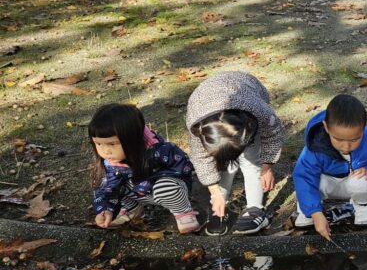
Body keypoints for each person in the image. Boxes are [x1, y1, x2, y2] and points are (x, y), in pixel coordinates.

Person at [185, 71, 283, 236]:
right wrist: (215, 193)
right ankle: (219, 205)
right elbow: (201, 160)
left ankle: (255, 208)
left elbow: (272, 134)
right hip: (205, 100)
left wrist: (267, 166)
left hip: (248, 90)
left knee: (252, 160)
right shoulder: (197, 126)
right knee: (224, 167)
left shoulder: (260, 112)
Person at [293, 94, 367, 240]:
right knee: (312, 182)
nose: (346, 146)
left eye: (355, 139)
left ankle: (363, 208)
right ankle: (308, 211)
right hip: (327, 183)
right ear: (326, 127)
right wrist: (316, 213)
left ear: (363, 129)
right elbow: (304, 178)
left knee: (362, 182)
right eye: (339, 139)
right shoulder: (315, 147)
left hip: (352, 182)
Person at [89, 103, 199, 234]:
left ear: (133, 139)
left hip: (160, 187)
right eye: (99, 144)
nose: (106, 151)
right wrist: (105, 209)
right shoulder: (109, 163)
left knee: (166, 187)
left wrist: (160, 180)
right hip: (137, 192)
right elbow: (107, 189)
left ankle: (183, 212)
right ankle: (132, 209)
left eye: (112, 144)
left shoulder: (159, 151)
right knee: (106, 184)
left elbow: (183, 168)